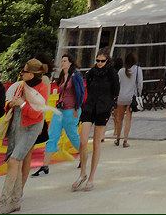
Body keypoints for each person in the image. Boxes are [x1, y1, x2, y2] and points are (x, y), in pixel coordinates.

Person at [0, 58, 52, 214]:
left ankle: (6, 200)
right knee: (14, 161)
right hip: (17, 124)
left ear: (32, 74)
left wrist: (21, 103)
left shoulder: (41, 88)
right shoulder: (22, 85)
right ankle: (14, 199)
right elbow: (8, 103)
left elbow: (36, 113)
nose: (21, 72)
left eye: (25, 71)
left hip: (31, 127)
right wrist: (12, 103)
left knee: (15, 160)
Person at [72, 50, 119, 192]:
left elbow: (116, 91)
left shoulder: (112, 73)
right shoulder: (91, 73)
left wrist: (109, 105)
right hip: (89, 107)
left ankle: (91, 177)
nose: (99, 63)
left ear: (107, 61)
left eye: (102, 61)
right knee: (83, 140)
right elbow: (87, 89)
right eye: (97, 60)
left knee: (97, 142)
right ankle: (82, 173)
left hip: (103, 108)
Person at [32, 54, 84, 176]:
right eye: (61, 61)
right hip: (60, 110)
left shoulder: (75, 76)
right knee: (52, 136)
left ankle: (83, 156)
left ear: (70, 63)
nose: (62, 63)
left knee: (73, 136)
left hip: (71, 110)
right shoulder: (62, 76)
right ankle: (45, 165)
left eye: (65, 61)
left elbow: (80, 92)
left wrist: (77, 107)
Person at [114, 52, 142, 148]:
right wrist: (139, 94)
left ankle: (117, 138)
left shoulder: (121, 71)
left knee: (119, 119)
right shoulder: (138, 70)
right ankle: (125, 141)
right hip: (131, 98)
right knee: (128, 120)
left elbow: (117, 84)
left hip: (121, 97)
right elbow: (140, 84)